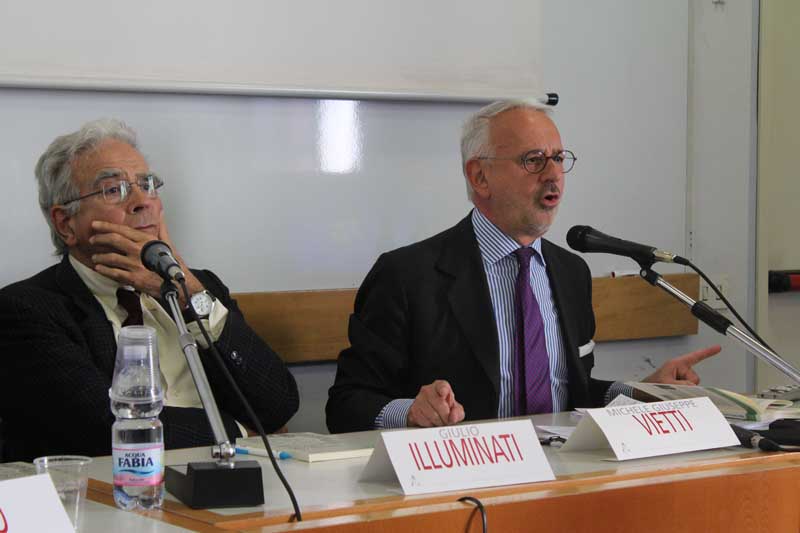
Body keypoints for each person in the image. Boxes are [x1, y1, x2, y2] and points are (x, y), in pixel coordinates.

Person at [326, 100, 719, 432]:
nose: (553, 175)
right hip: (467, 480)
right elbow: (346, 405)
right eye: (534, 160)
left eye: (558, 158)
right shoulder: (408, 276)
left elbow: (571, 395)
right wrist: (412, 412)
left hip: (566, 477)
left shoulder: (571, 273)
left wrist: (642, 391)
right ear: (480, 176)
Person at [0, 118, 298, 461]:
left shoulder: (201, 286)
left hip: (226, 483)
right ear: (66, 223)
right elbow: (104, 430)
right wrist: (241, 431)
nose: (142, 201)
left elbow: (279, 403)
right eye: (114, 190)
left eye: (148, 184)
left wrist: (188, 294)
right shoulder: (26, 309)